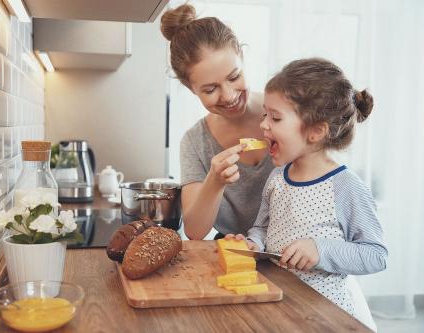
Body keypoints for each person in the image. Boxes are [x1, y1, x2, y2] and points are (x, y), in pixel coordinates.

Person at [227, 58, 388, 328]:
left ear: (316, 131)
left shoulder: (346, 186)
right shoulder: (277, 177)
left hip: (327, 318)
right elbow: (263, 228)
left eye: (276, 117)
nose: (264, 125)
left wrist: (321, 250)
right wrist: (252, 244)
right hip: (283, 308)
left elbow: (376, 255)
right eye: (265, 114)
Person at [160, 4, 275, 240]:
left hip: (296, 255)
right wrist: (215, 181)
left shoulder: (288, 113)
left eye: (234, 77)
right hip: (234, 254)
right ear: (190, 88)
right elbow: (194, 231)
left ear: (242, 58)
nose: (229, 96)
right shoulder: (195, 142)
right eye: (210, 89)